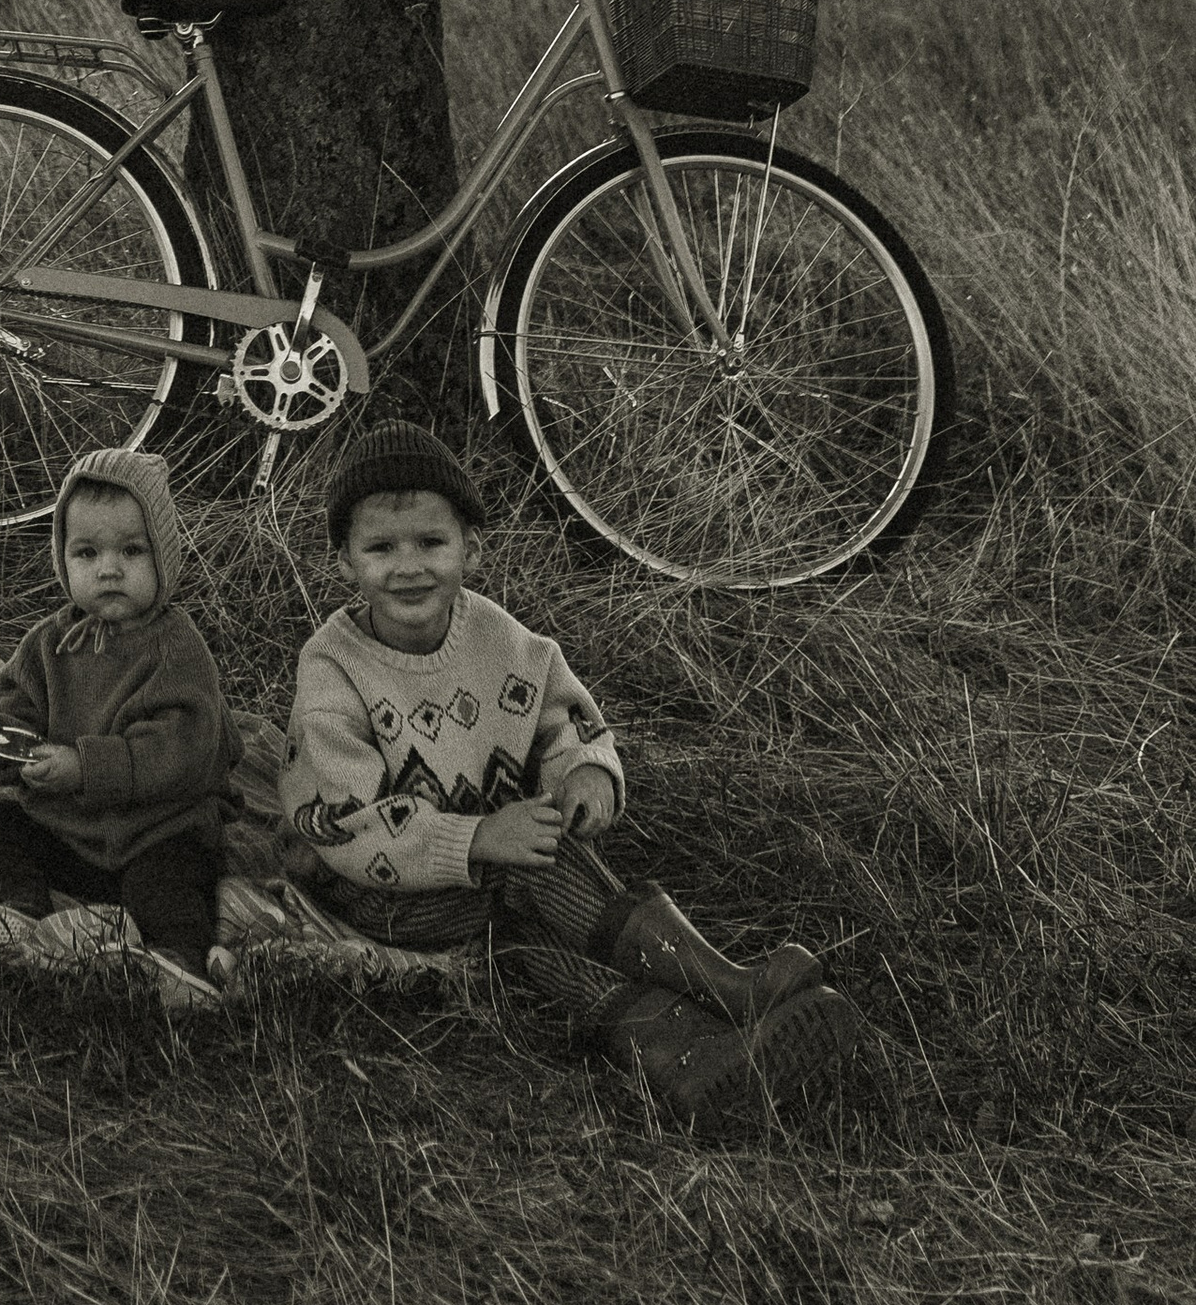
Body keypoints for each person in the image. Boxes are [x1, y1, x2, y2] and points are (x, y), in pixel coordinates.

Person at [281, 423, 876, 1126]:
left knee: (525, 938)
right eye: (380, 548)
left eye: (431, 543)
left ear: (471, 548)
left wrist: (585, 771)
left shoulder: (499, 639)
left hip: (487, 877)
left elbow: (563, 720)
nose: (407, 567)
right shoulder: (334, 669)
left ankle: (692, 1054)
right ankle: (727, 990)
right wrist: (474, 839)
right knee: (532, 871)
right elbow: (344, 823)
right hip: (379, 891)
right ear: (345, 560)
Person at [0, 447, 234, 1000]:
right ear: (63, 559)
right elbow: (18, 725)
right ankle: (17, 913)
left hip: (157, 831)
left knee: (169, 883)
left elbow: (184, 749)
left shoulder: (176, 647)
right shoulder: (48, 645)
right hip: (67, 831)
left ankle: (179, 963)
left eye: (132, 550)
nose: (109, 569)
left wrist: (86, 768)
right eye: (87, 552)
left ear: (165, 556)